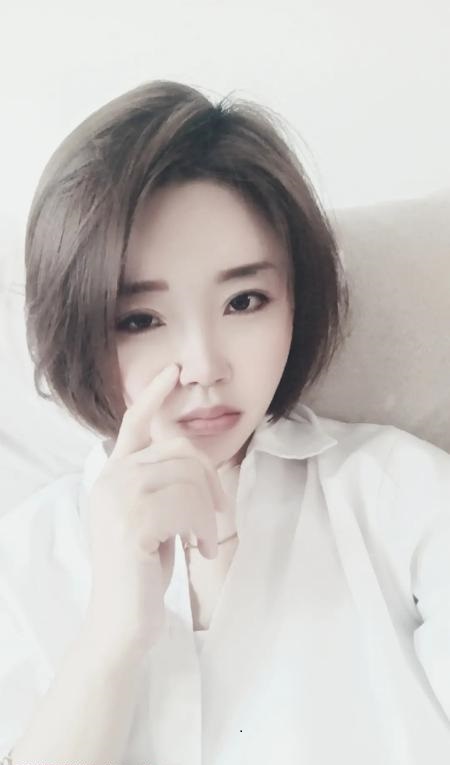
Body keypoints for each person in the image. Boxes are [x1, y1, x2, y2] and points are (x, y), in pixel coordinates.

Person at [1, 80, 450, 765]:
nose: (205, 367)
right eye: (140, 319)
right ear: (76, 327)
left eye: (244, 301)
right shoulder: (29, 559)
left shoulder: (401, 498)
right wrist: (111, 639)